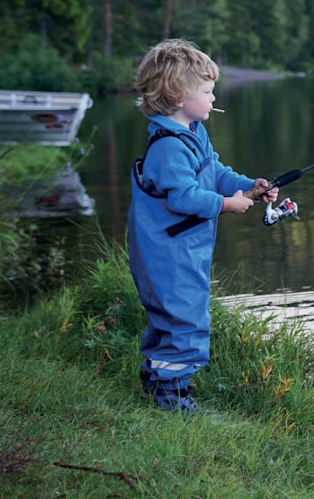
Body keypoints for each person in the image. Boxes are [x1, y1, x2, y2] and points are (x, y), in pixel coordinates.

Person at [127, 39, 278, 412]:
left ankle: (156, 381)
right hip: (167, 254)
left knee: (174, 318)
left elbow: (215, 172)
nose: (213, 98)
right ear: (178, 97)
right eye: (207, 91)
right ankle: (171, 397)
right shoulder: (168, 146)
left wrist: (248, 188)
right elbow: (183, 198)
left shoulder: (193, 131)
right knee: (185, 321)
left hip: (182, 249)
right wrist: (226, 204)